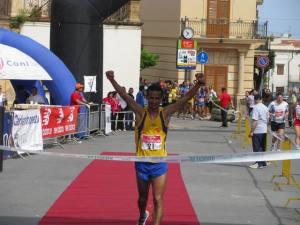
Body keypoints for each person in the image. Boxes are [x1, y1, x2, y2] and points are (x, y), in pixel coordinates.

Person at [106, 70, 205, 225]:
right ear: (146, 98)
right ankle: (142, 215)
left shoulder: (165, 113)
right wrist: (111, 79)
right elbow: (124, 96)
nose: (153, 101)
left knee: (158, 198)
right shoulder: (140, 112)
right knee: (142, 198)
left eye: (157, 98)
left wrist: (198, 85)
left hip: (159, 163)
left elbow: (184, 99)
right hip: (142, 163)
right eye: (151, 98)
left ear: (161, 99)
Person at [248, 94, 269, 169]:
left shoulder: (256, 108)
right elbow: (268, 118)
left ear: (255, 100)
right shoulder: (265, 107)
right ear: (261, 99)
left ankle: (258, 163)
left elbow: (255, 121)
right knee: (262, 147)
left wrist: (251, 131)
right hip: (264, 129)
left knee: (257, 147)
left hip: (257, 130)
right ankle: (263, 162)